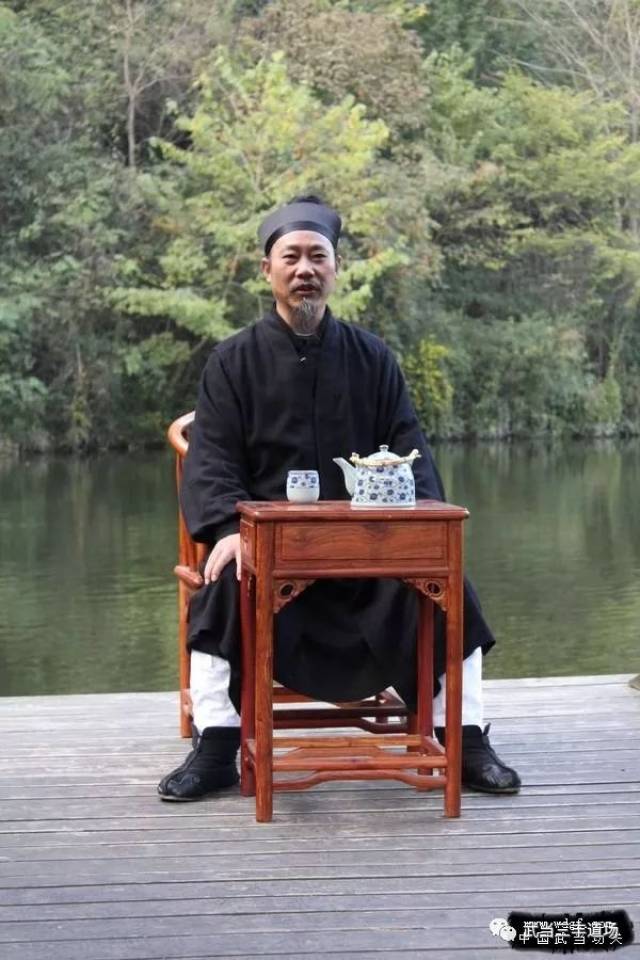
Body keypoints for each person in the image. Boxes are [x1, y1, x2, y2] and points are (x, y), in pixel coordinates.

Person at [158, 196, 521, 802]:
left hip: (366, 562)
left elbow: (410, 455)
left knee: (450, 586)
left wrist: (416, 537)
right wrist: (226, 531)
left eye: (317, 257)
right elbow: (212, 462)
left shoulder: (372, 358)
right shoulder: (232, 362)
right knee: (222, 579)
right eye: (291, 258)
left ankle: (464, 735)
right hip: (271, 564)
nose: (305, 269)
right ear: (267, 270)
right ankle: (217, 745)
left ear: (336, 268)